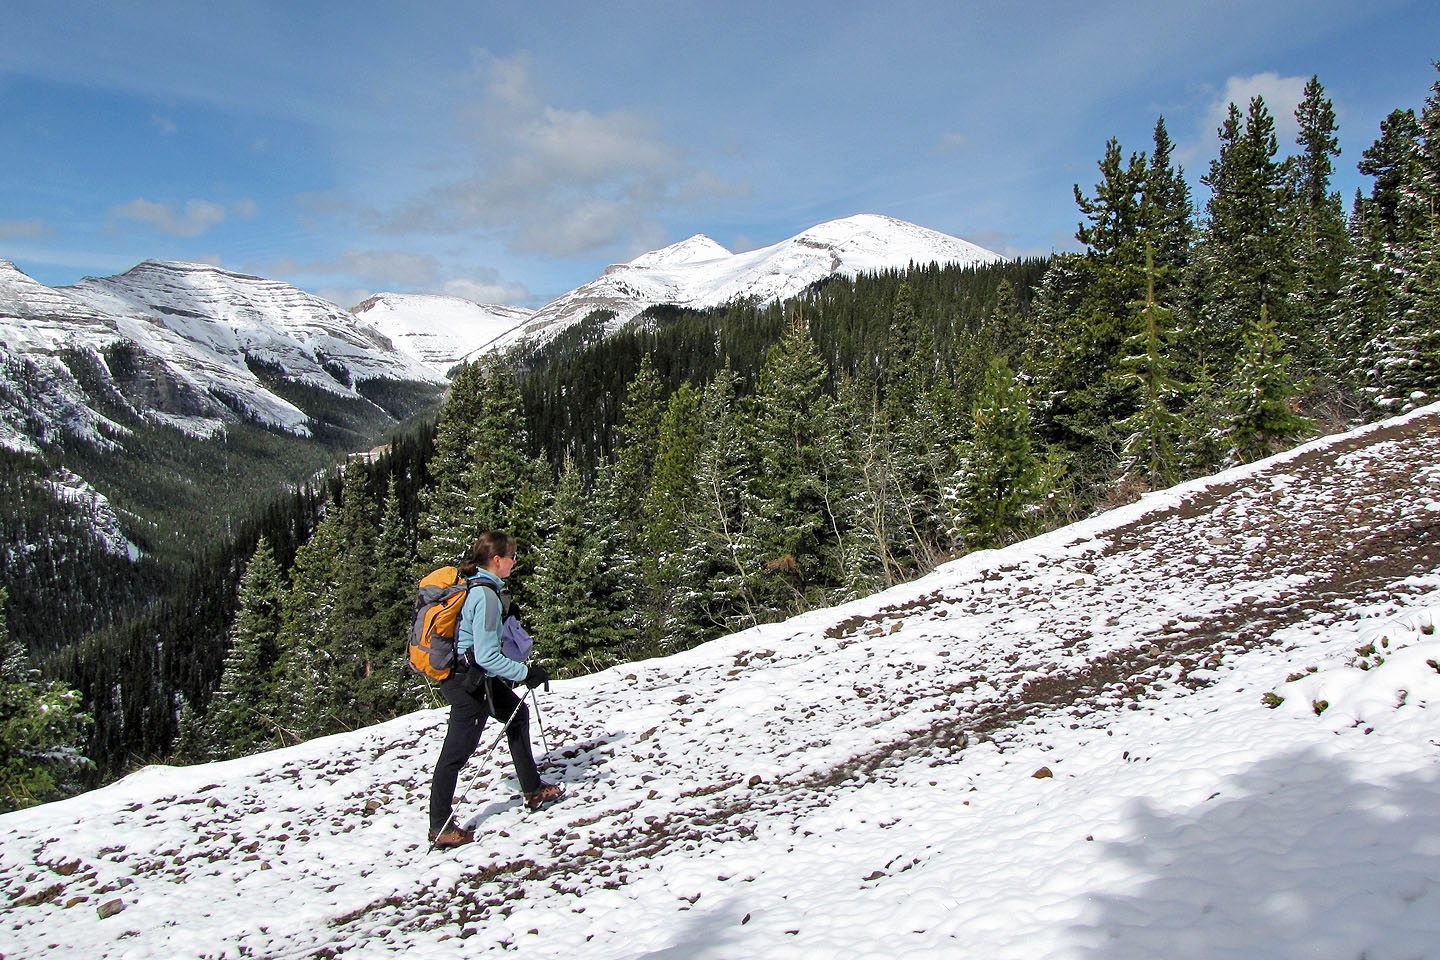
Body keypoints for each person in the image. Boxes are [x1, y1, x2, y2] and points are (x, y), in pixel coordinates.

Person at [428, 531, 559, 848]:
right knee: (455, 755)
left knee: (517, 714)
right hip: (466, 683)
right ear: (497, 560)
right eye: (511, 556)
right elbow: (486, 655)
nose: (515, 561)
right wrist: (525, 672)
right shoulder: (485, 595)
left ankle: (533, 788)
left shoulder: (477, 586)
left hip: (470, 677)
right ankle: (440, 827)